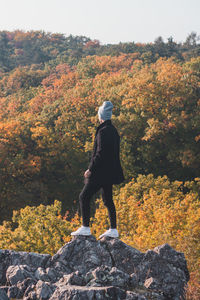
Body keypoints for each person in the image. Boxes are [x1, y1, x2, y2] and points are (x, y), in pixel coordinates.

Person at [71, 101, 125, 238]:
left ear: (101, 115)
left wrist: (90, 169)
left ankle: (85, 227)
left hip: (100, 172)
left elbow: (100, 153)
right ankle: (113, 229)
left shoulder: (102, 131)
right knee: (108, 200)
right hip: (110, 172)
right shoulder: (113, 131)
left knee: (84, 196)